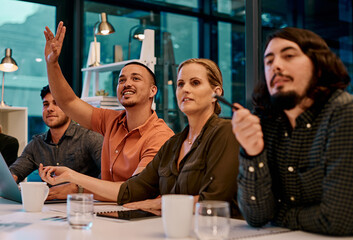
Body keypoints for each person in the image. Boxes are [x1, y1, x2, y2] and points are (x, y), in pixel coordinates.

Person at [40, 58, 241, 217]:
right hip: (176, 229)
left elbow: (216, 200)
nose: (185, 89)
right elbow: (132, 190)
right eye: (180, 84)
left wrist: (160, 203)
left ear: (216, 93)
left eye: (195, 83)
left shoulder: (225, 131)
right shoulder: (174, 144)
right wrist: (71, 176)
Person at [232, 27, 353, 235]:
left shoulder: (343, 112)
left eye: (289, 56)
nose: (276, 66)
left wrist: (278, 214)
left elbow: (338, 220)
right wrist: (252, 152)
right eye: (269, 61)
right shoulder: (268, 121)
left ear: (319, 65)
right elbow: (256, 216)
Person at [42, 21, 174, 200]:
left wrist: (74, 181)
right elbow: (68, 102)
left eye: (136, 78)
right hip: (108, 212)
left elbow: (133, 191)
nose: (127, 83)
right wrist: (52, 63)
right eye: (121, 80)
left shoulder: (160, 136)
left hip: (141, 219)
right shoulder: (111, 120)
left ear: (153, 91)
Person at [10, 85, 103, 199]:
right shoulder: (37, 143)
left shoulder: (90, 137)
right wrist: (9, 180)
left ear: (69, 108)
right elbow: (15, 172)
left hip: (85, 208)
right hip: (48, 209)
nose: (50, 108)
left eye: (56, 103)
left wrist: (78, 189)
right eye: (46, 104)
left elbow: (108, 177)